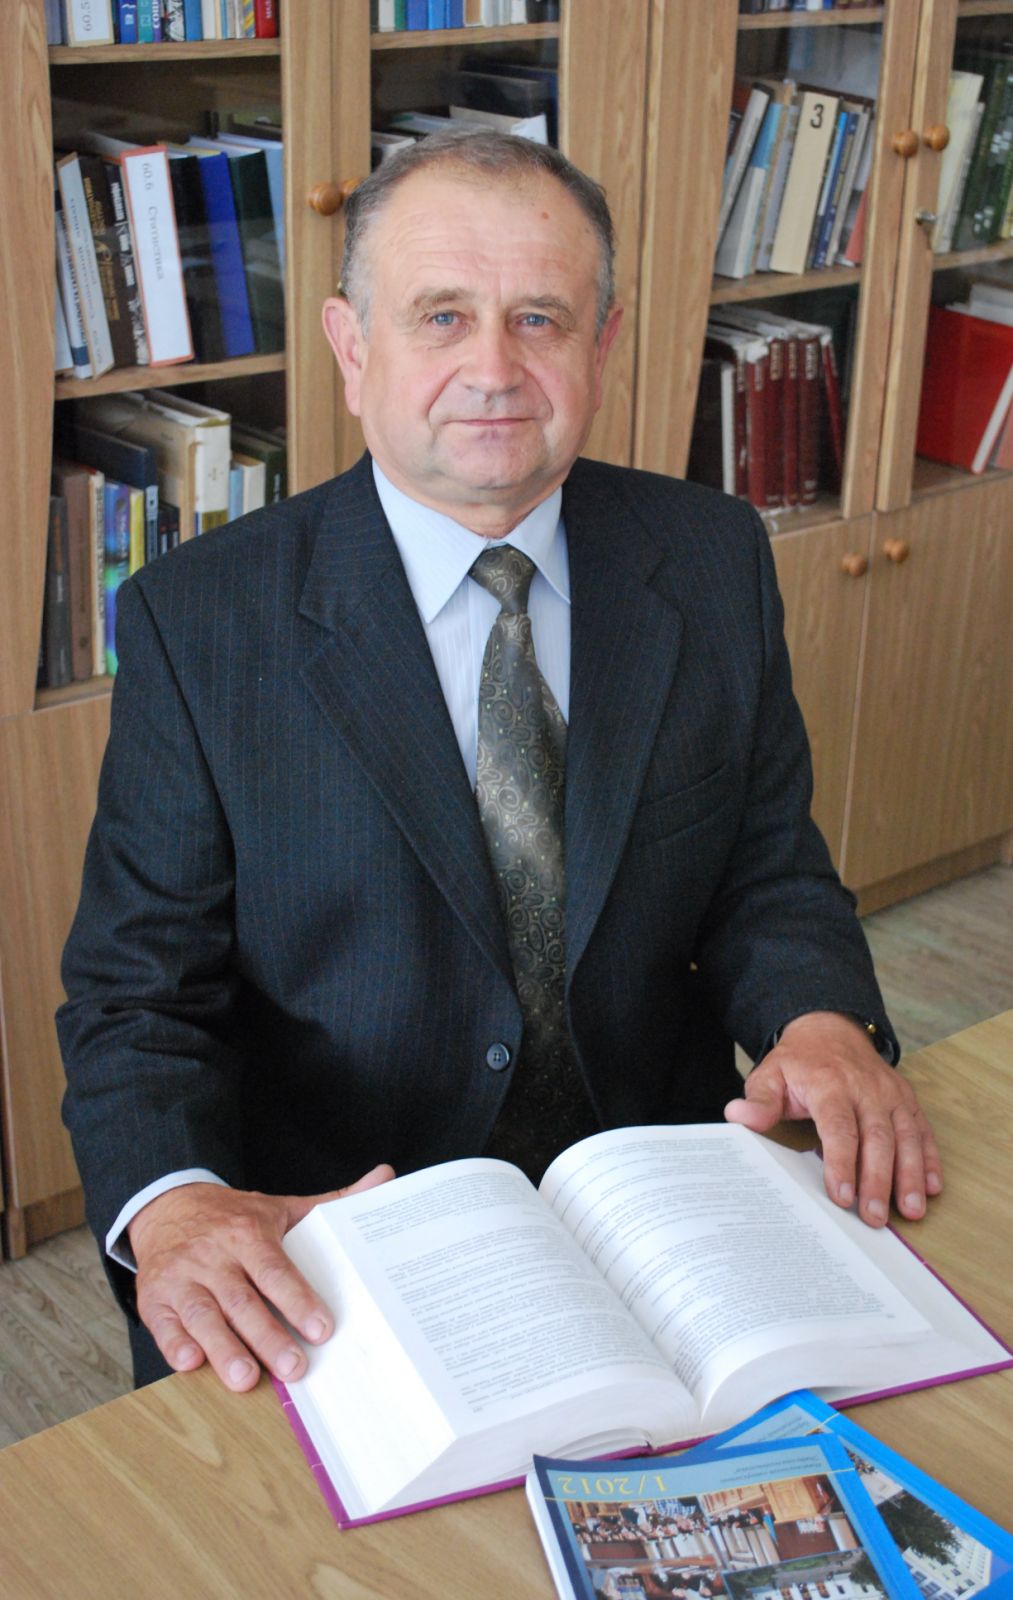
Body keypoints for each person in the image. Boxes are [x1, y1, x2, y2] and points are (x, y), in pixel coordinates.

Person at [57, 131, 942, 1394]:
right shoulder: (199, 620)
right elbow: (136, 996)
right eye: (440, 317)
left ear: (603, 344)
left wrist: (821, 1020)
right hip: (348, 1236)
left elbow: (765, 869)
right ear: (350, 346)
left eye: (539, 318)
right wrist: (176, 1200)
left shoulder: (710, 555)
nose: (492, 370)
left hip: (664, 1205)